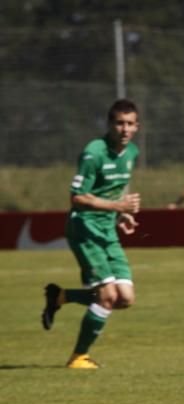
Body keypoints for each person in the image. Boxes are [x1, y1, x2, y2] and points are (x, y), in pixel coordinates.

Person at [40, 99, 143, 369]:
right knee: (108, 296)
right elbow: (77, 198)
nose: (125, 129)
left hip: (108, 228)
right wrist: (118, 206)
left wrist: (122, 215)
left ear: (137, 126)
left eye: (130, 123)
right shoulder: (94, 152)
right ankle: (78, 358)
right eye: (119, 123)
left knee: (126, 298)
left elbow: (113, 191)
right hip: (84, 228)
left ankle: (61, 297)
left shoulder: (131, 152)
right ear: (110, 125)